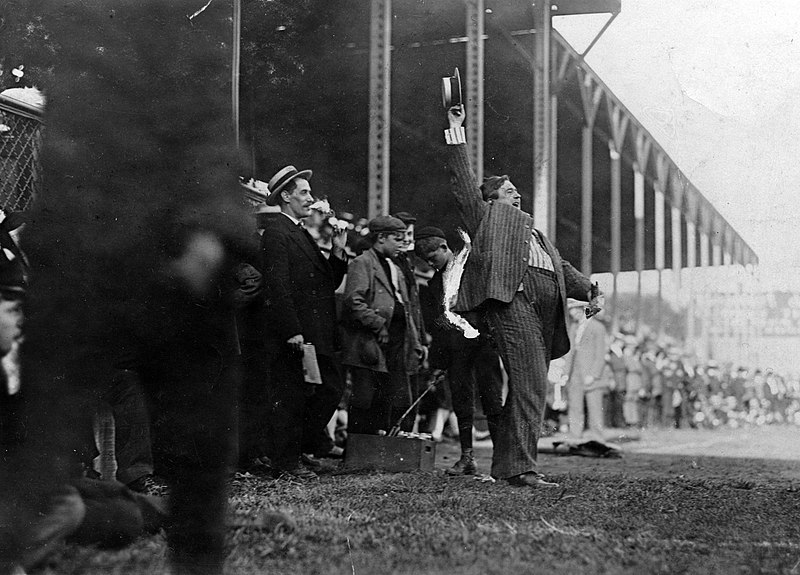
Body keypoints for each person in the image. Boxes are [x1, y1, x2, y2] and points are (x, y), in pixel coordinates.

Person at [443, 104, 596, 487]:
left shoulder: (538, 235)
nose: (518, 196)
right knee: (531, 386)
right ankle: (524, 469)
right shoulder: (486, 219)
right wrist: (455, 130)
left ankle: (508, 466)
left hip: (546, 314)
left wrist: (593, 291)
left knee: (527, 388)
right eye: (510, 192)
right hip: (514, 306)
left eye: (517, 192)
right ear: (491, 200)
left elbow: (565, 272)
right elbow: (463, 182)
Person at [259, 165, 349, 480]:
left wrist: (338, 251)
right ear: (285, 196)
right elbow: (277, 286)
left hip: (316, 332)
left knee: (329, 389)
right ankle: (285, 461)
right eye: (304, 193)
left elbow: (327, 281)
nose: (310, 199)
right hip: (297, 332)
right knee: (293, 396)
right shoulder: (277, 233)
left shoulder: (298, 231)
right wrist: (291, 330)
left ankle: (293, 452)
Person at [414, 226, 503, 475]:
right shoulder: (434, 284)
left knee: (492, 399)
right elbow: (435, 322)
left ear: (445, 248)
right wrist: (440, 359)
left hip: (484, 345)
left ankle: (500, 461)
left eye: (434, 257)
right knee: (461, 402)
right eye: (427, 261)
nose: (432, 264)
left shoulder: (473, 271)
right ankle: (467, 458)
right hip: (456, 352)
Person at [340, 215, 424, 435]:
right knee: (365, 397)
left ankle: (378, 450)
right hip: (370, 342)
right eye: (396, 239)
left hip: (395, 343)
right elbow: (353, 300)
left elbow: (405, 308)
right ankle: (358, 451)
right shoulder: (363, 262)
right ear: (381, 238)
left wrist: (415, 342)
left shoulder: (393, 266)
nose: (401, 243)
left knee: (389, 397)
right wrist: (378, 324)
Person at [564, 304, 610, 443]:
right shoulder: (573, 327)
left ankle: (597, 438)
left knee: (595, 407)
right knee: (574, 406)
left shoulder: (598, 327)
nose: (574, 314)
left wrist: (594, 374)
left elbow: (601, 353)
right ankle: (575, 436)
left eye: (577, 311)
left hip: (591, 375)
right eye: (571, 311)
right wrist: (566, 373)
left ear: (585, 310)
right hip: (575, 373)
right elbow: (570, 352)